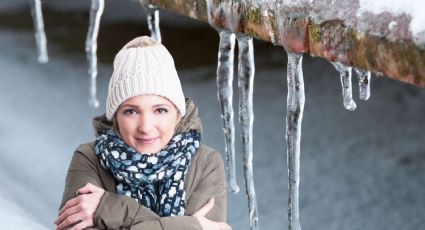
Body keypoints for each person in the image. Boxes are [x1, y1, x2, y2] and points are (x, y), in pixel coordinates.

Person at [55, 36, 231, 230]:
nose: (146, 127)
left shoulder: (205, 163)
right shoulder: (89, 159)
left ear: (177, 115)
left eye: (160, 110)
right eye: (131, 111)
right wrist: (190, 226)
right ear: (115, 117)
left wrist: (110, 208)